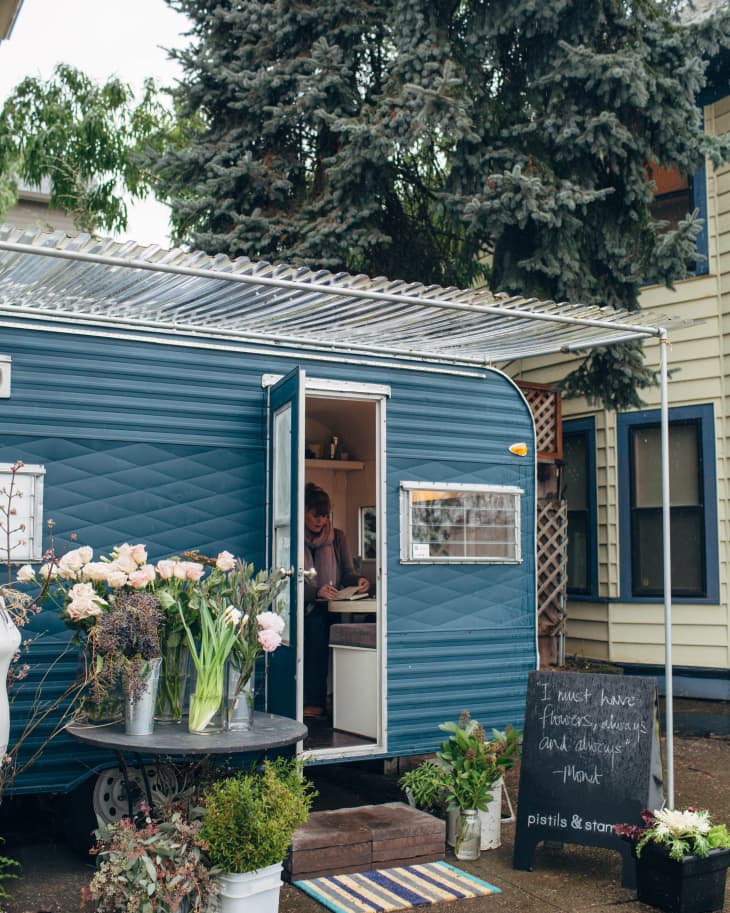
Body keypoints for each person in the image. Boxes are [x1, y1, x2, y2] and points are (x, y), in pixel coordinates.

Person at [303, 482, 370, 719]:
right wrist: (315, 592)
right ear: (303, 511)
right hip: (302, 606)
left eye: (325, 515)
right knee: (313, 634)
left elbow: (348, 573)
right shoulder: (294, 537)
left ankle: (322, 703)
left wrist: (360, 580)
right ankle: (311, 701)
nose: (321, 520)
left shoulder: (337, 537)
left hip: (330, 607)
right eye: (316, 515)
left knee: (323, 635)